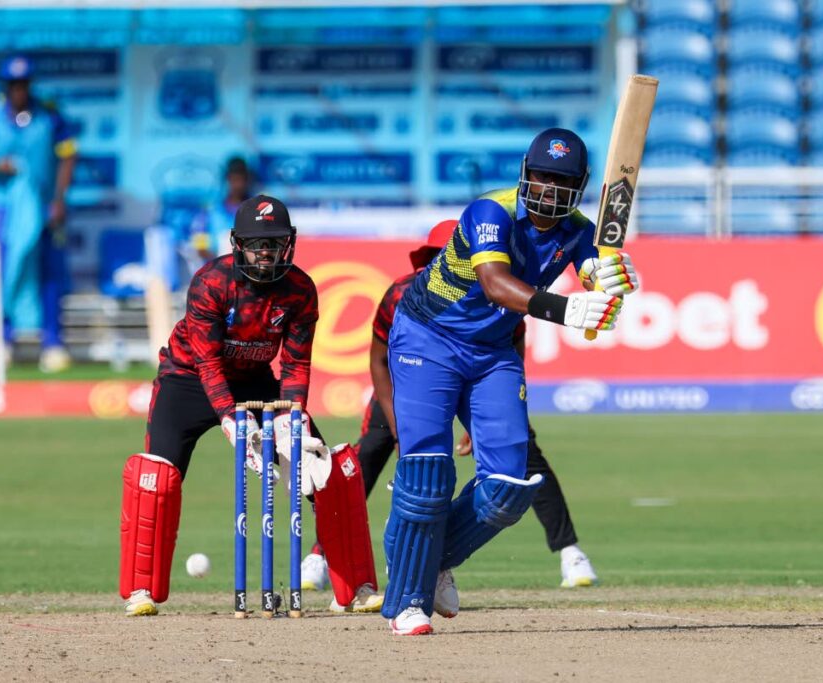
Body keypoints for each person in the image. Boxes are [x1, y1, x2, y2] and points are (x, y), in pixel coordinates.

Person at [381, 128, 640, 635]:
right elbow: (495, 284)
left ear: (579, 184)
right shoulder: (490, 211)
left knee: (507, 489)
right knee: (429, 475)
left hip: (492, 352)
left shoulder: (581, 230)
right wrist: (569, 308)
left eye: (560, 179)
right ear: (525, 170)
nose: (547, 187)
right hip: (428, 339)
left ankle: (429, 562)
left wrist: (613, 280)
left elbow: (595, 275)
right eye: (541, 174)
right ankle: (407, 600)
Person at [299, 220, 599, 594]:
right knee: (369, 458)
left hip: (478, 377)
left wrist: (482, 423)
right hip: (408, 382)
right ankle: (320, 555)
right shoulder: (401, 294)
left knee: (523, 456)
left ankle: (569, 552)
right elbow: (378, 361)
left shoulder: (499, 297)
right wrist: (399, 428)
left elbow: (512, 353)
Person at [118, 195, 382, 616]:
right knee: (158, 477)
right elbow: (207, 361)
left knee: (323, 469)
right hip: (187, 381)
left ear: (288, 244)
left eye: (275, 243)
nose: (266, 253)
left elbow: (296, 364)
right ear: (238, 244)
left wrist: (290, 419)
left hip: (256, 382)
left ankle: (357, 586)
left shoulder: (299, 290)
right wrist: (228, 419)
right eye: (258, 244)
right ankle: (140, 591)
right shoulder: (212, 282)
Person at [0, 55, 77, 372]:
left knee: (48, 269)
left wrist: (59, 199)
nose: (19, 90)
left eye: (24, 84)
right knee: (3, 270)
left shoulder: (49, 113)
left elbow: (68, 155)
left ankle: (52, 343)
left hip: (42, 205)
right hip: (1, 205)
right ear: (5, 86)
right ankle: (3, 339)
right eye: (13, 84)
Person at [189, 156, 253, 261]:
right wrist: (223, 263)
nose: (238, 185)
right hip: (216, 268)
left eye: (242, 179)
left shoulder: (257, 210)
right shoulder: (209, 211)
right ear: (227, 179)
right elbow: (200, 248)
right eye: (235, 179)